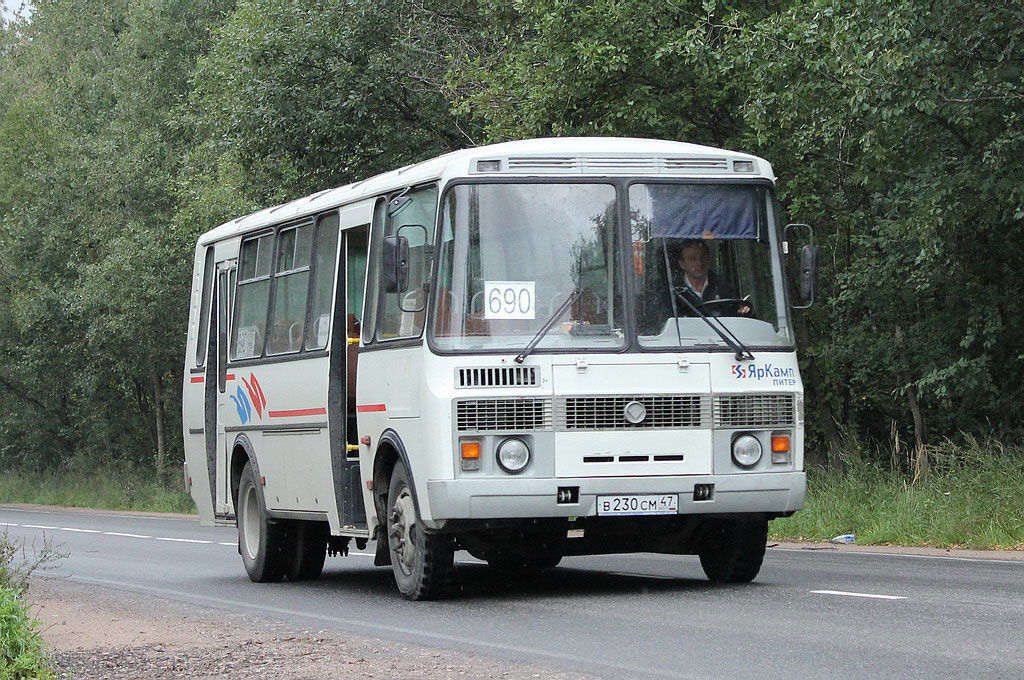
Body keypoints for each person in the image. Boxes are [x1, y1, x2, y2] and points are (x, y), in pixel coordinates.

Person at [670, 239, 751, 315]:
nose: (699, 263)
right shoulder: (672, 292)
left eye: (703, 258)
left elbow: (737, 315)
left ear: (709, 259)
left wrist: (745, 311)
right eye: (692, 259)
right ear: (682, 264)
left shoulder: (725, 288)